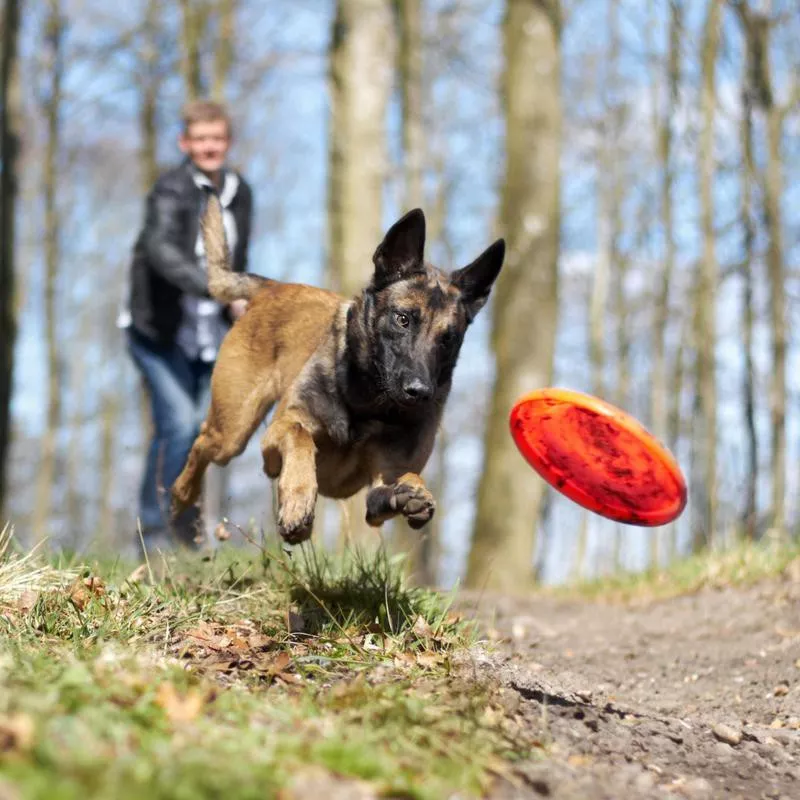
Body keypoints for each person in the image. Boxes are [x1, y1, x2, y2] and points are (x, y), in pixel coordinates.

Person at [120, 100, 253, 552]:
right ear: (185, 143)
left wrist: (242, 300)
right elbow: (161, 253)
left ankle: (188, 532)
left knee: (204, 430)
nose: (209, 147)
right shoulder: (170, 190)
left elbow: (239, 259)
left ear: (227, 142)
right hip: (157, 331)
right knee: (177, 422)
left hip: (209, 335)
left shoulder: (240, 191)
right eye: (200, 139)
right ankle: (153, 532)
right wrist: (217, 288)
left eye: (216, 138)